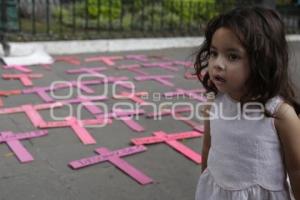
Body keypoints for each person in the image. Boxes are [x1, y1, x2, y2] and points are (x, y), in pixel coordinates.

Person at [194, 6, 300, 200]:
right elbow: (208, 149)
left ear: (262, 60)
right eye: (213, 53)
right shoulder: (214, 102)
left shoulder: (280, 114)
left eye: (232, 56)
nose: (217, 63)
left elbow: (296, 170)